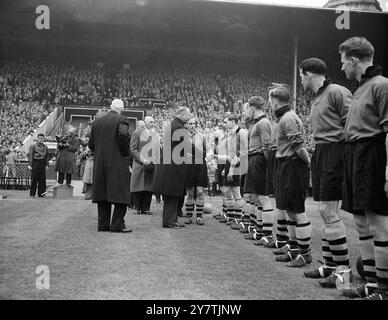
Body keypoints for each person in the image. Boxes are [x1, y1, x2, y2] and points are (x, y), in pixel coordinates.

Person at [338, 37, 388, 300]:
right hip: (354, 154)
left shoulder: (381, 85)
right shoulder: (361, 87)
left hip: (372, 153)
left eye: (344, 61)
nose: (342, 66)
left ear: (354, 59)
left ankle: (384, 288)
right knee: (360, 220)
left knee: (378, 221)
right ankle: (370, 283)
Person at [299, 57, 353, 288]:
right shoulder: (317, 98)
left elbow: (352, 121)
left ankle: (344, 272)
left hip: (334, 151)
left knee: (329, 210)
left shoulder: (336, 91)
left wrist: (341, 150)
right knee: (323, 210)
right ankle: (330, 266)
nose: (301, 80)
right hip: (321, 151)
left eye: (301, 76)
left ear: (308, 74)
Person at [268, 83, 312, 268]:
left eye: (270, 99)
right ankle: (294, 251)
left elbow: (299, 147)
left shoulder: (288, 118)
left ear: (275, 101)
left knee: (297, 211)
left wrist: (308, 163)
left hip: (293, 165)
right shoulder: (284, 118)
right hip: (285, 165)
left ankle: (305, 254)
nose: (269, 103)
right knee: (290, 210)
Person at [88, 98, 133, 233]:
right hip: (117, 163)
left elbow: (91, 144)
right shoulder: (122, 119)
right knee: (121, 194)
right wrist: (125, 153)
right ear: (122, 109)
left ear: (110, 107)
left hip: (100, 163)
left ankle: (103, 225)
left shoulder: (97, 122)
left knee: (103, 195)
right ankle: (116, 225)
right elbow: (123, 135)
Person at [241, 96, 275, 247]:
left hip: (260, 159)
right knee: (256, 196)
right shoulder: (257, 123)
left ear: (253, 108)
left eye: (247, 108)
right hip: (254, 158)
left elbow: (267, 147)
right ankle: (259, 230)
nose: (246, 111)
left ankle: (267, 234)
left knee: (263, 198)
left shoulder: (263, 123)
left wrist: (267, 166)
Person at [152, 106, 192, 229]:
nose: (189, 117)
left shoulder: (173, 125)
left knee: (171, 195)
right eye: (188, 115)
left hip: (170, 164)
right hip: (174, 166)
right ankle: (170, 221)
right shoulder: (178, 127)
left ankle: (170, 220)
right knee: (172, 194)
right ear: (182, 115)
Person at [216, 114, 248, 230]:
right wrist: (226, 168)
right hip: (230, 163)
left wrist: (233, 169)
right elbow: (230, 152)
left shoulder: (241, 133)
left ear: (233, 122)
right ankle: (231, 216)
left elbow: (241, 152)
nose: (224, 124)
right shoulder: (230, 134)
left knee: (236, 191)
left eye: (226, 122)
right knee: (228, 190)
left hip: (238, 164)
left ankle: (238, 219)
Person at [130, 116, 160, 215]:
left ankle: (146, 208)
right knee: (138, 186)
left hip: (151, 164)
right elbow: (133, 149)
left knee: (149, 187)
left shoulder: (155, 134)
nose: (152, 124)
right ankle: (136, 208)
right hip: (140, 164)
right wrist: (142, 159)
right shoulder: (137, 132)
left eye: (153, 122)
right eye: (151, 122)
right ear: (145, 122)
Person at [184, 117, 209, 226]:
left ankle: (199, 217)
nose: (192, 125)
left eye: (194, 123)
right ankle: (189, 216)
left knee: (199, 191)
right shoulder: (182, 137)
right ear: (186, 125)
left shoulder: (202, 136)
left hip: (200, 165)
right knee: (190, 191)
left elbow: (204, 152)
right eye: (190, 123)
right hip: (188, 166)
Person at [28, 133, 49, 198]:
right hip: (35, 162)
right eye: (39, 138)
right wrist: (30, 165)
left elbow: (47, 156)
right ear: (37, 138)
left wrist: (47, 165)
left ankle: (41, 193)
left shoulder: (45, 146)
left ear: (43, 139)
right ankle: (32, 194)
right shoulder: (33, 146)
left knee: (42, 179)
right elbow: (30, 156)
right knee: (34, 178)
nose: (40, 139)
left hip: (42, 163)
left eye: (42, 138)